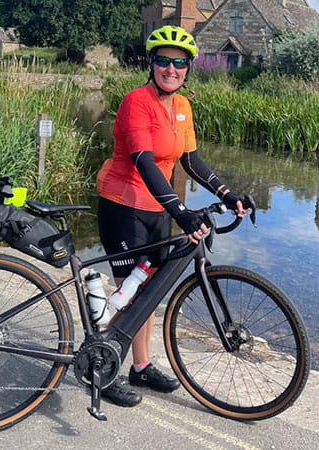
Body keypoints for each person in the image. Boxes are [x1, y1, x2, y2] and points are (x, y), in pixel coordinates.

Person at [95, 25, 248, 407]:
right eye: (163, 61)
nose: (171, 69)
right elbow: (144, 161)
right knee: (130, 296)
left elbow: (191, 160)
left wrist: (226, 195)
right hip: (124, 206)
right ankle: (102, 367)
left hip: (157, 210)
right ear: (151, 63)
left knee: (148, 294)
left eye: (179, 63)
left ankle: (140, 366)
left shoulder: (182, 107)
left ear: (188, 68)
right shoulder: (136, 101)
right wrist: (181, 211)